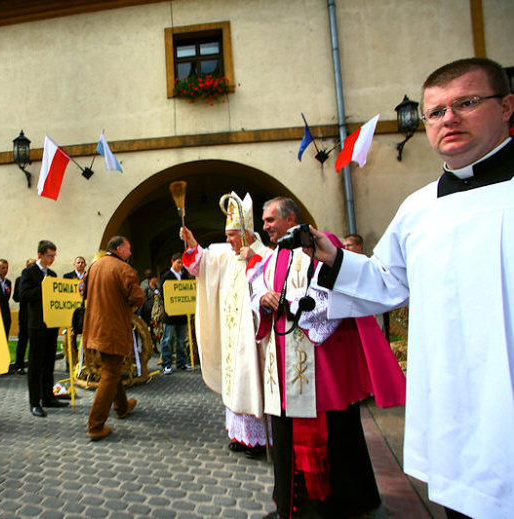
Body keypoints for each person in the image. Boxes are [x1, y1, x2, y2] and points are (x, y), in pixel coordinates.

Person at [309, 57, 514, 519]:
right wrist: (334, 258)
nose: (450, 119)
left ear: (506, 107)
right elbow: (386, 281)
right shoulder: (418, 208)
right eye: (436, 111)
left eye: (467, 102)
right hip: (452, 403)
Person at [253, 197, 405, 519]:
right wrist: (262, 300)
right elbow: (258, 289)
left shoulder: (324, 244)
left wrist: (294, 304)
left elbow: (335, 294)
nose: (264, 226)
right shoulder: (272, 257)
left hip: (321, 370)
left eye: (269, 219)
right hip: (282, 368)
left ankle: (336, 508)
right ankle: (291, 506)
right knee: (285, 436)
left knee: (337, 440)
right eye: (264, 221)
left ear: (290, 217)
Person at [180, 192, 274, 458]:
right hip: (233, 337)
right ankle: (241, 435)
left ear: (246, 234)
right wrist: (192, 242)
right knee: (236, 381)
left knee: (253, 380)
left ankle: (260, 439)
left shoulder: (265, 256)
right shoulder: (229, 256)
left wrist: (253, 258)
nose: (227, 240)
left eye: (231, 235)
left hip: (255, 338)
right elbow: (203, 263)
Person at [83, 236, 145, 441]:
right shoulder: (123, 268)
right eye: (128, 249)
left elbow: (82, 292)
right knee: (110, 373)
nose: (130, 252)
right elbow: (138, 297)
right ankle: (95, 425)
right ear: (119, 249)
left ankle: (121, 406)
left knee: (112, 368)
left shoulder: (94, 266)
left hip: (94, 327)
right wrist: (125, 305)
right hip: (113, 329)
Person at [19, 241, 68, 417]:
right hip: (37, 324)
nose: (52, 259)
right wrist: (44, 289)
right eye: (49, 256)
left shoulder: (53, 274)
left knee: (49, 362)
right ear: (40, 255)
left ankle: (48, 397)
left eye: (54, 256)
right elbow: (23, 295)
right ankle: (34, 402)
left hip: (51, 324)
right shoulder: (29, 272)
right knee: (35, 363)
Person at [158, 253, 191, 374]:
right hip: (170, 314)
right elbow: (163, 293)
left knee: (181, 340)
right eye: (178, 262)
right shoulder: (166, 276)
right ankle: (166, 364)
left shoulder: (184, 276)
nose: (181, 265)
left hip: (182, 314)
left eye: (182, 263)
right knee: (167, 339)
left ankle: (181, 363)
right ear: (172, 261)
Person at [12, 258, 36, 375]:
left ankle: (33, 365)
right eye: (31, 265)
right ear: (27, 267)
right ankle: (19, 365)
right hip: (24, 314)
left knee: (35, 342)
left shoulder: (39, 278)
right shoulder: (20, 279)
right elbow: (16, 297)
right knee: (22, 340)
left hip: (36, 315)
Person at [63, 256, 86, 372]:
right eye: (78, 262)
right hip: (71, 312)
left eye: (82, 263)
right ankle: (70, 363)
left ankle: (85, 362)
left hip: (85, 310)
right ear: (74, 264)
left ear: (85, 265)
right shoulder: (67, 277)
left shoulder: (89, 276)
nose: (80, 264)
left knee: (85, 337)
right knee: (70, 339)